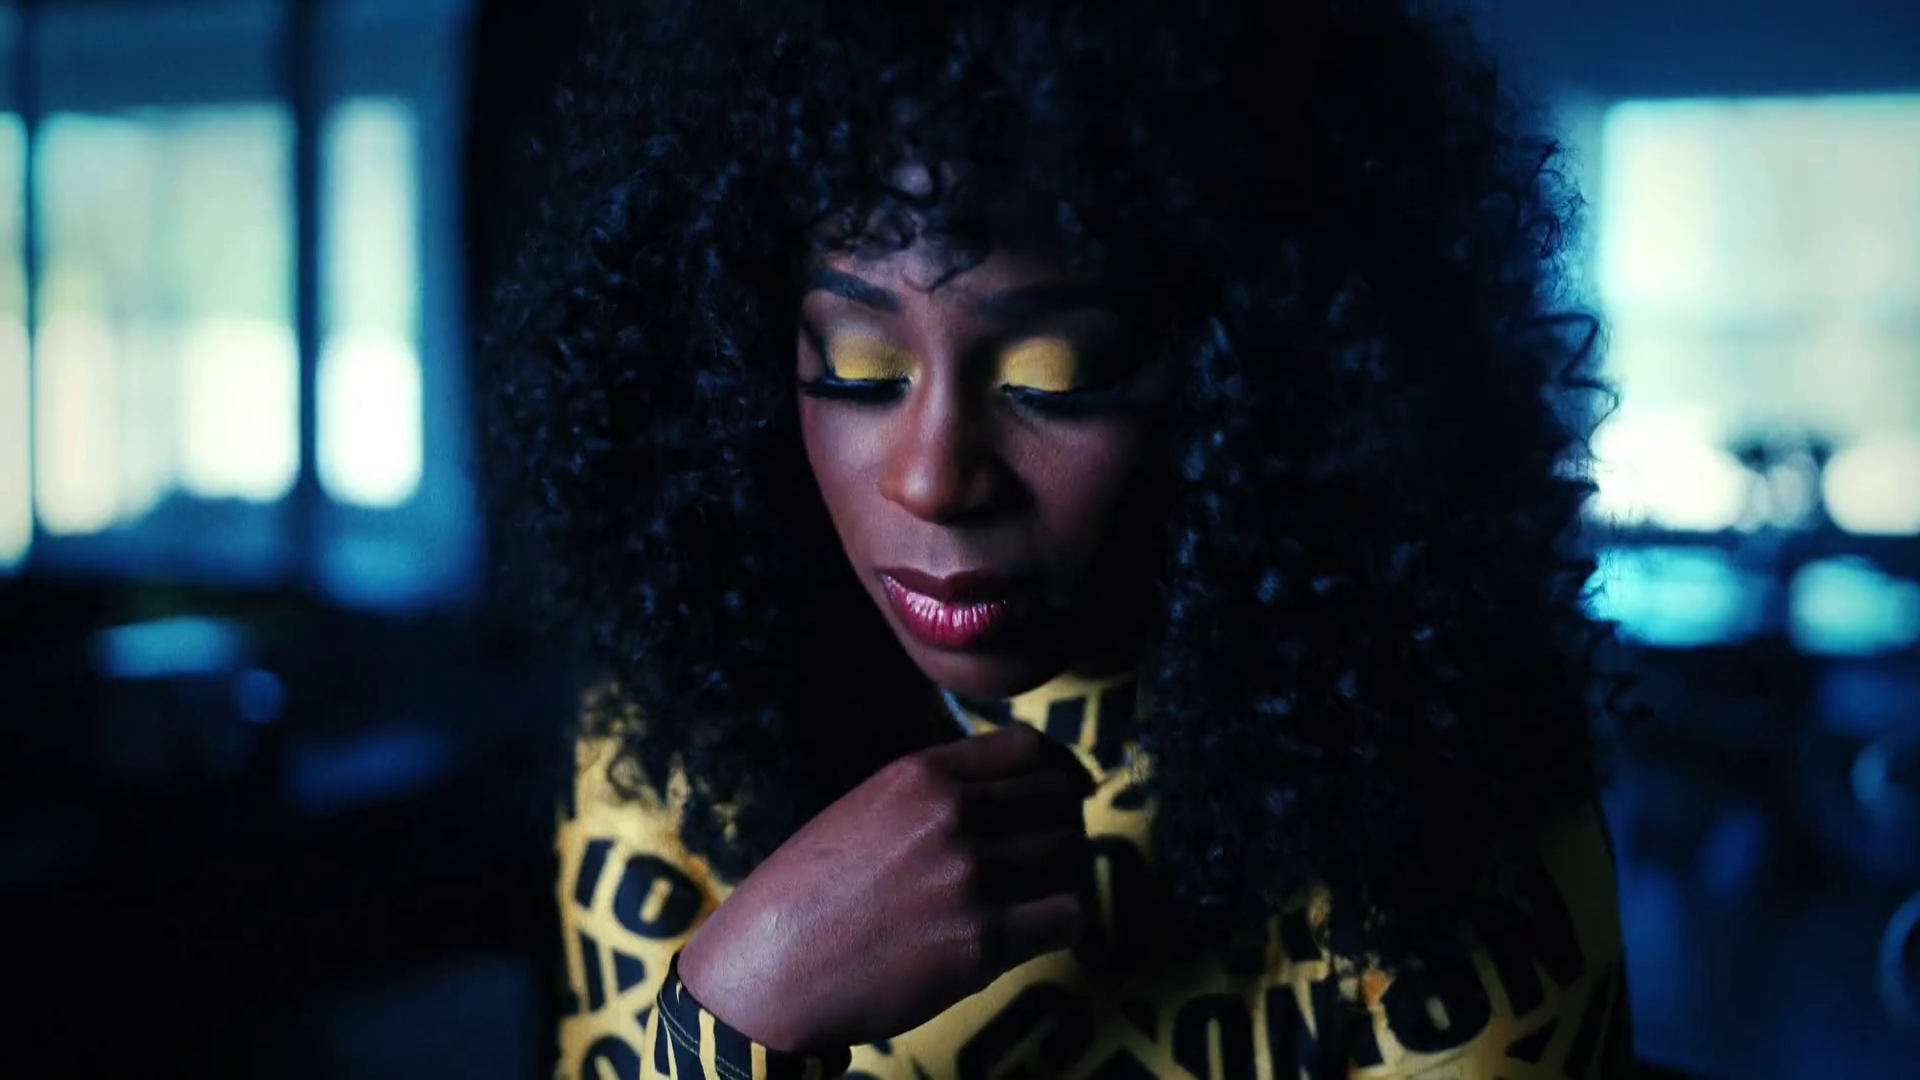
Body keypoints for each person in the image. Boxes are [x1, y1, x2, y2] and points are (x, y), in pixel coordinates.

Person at [482, 1, 1632, 1076]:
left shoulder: (1441, 809)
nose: (933, 477)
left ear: (1264, 380)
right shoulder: (672, 741)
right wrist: (742, 1013)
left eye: (1054, 375)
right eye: (859, 369)